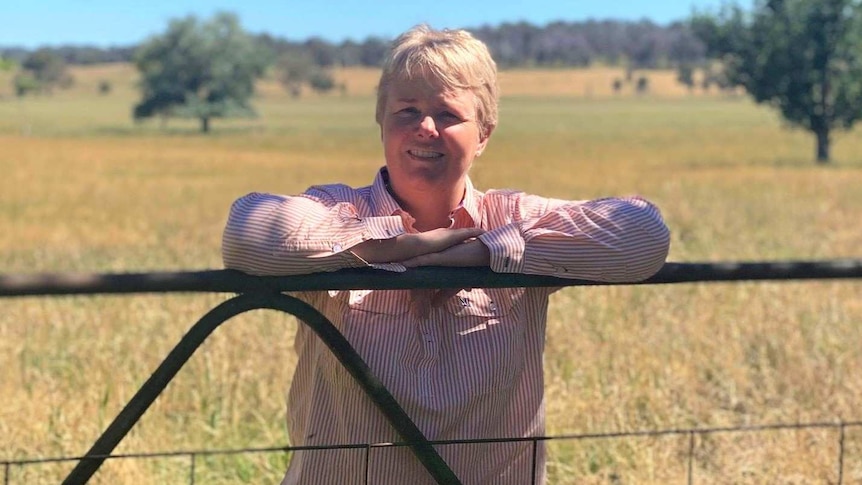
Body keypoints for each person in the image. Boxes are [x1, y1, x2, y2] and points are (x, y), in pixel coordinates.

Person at [222, 24, 670, 485]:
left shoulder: (508, 215)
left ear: (484, 135)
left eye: (448, 114)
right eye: (407, 111)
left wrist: (483, 252)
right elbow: (244, 233)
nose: (425, 128)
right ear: (381, 121)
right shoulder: (337, 209)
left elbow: (643, 234)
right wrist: (389, 246)